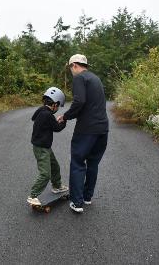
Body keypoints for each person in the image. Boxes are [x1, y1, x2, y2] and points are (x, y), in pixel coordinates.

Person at [57, 54, 109, 213]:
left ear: (74, 66)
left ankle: (76, 202)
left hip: (86, 130)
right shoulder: (96, 78)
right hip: (102, 129)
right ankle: (87, 197)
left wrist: (65, 116)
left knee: (78, 163)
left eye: (70, 68)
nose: (71, 71)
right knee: (93, 164)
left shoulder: (80, 78)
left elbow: (79, 101)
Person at [27, 87, 69, 206]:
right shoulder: (47, 115)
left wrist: (52, 121)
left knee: (55, 166)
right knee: (45, 174)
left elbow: (35, 118)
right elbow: (57, 128)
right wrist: (64, 120)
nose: (57, 108)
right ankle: (33, 195)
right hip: (42, 148)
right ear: (55, 104)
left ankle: (57, 186)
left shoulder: (41, 111)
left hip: (43, 146)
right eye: (58, 105)